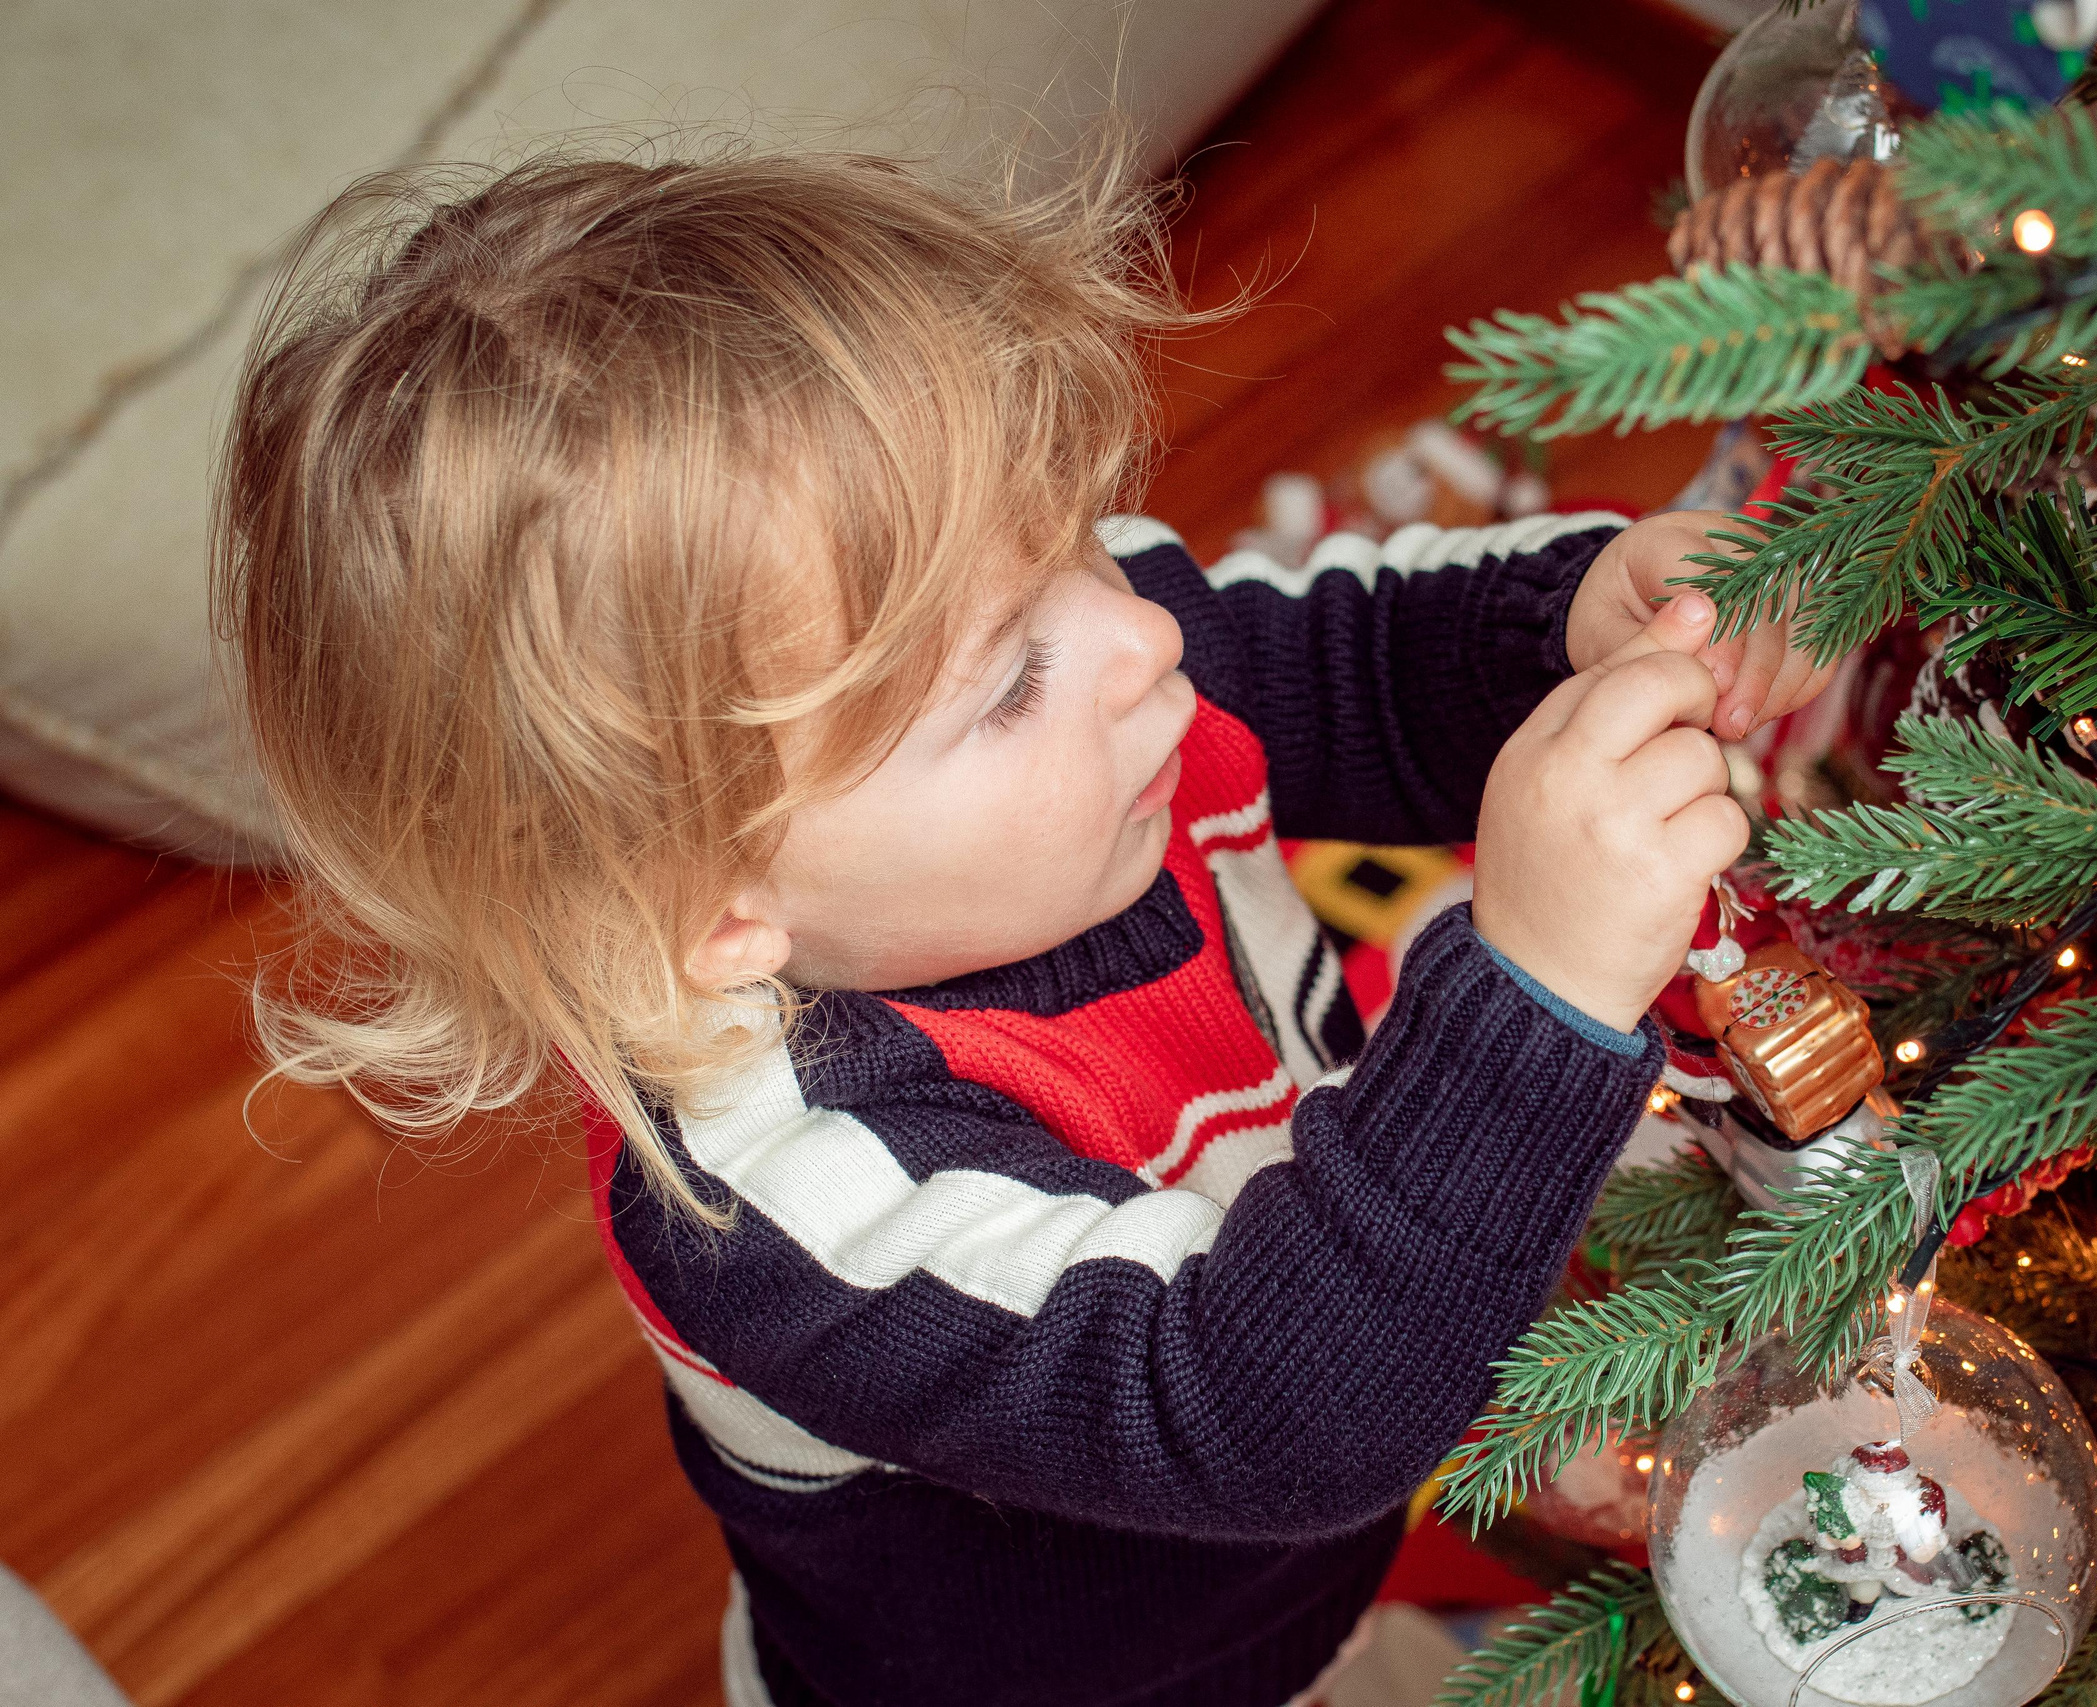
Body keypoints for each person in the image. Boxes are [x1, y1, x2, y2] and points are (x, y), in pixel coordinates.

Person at [213, 146, 1834, 1707]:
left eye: (1068, 540)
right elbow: (1262, 1413)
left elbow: (1354, 662)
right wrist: (1534, 994)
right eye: (1005, 680)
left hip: (1322, 1533)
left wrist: (1568, 622)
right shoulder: (775, 1202)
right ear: (710, 912)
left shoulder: (1092, 683)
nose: (1140, 636)